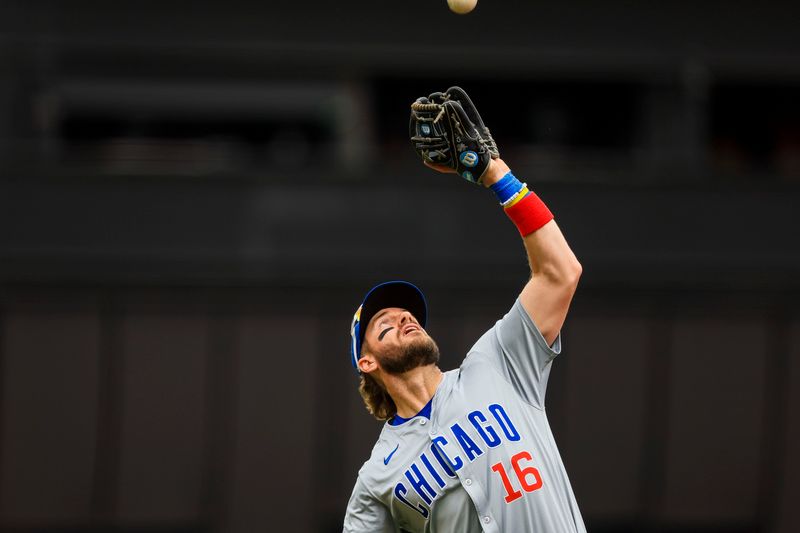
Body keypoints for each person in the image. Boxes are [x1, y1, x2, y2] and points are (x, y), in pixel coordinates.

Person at [343, 88, 585, 532]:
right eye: (384, 323)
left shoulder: (496, 364)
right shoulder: (377, 477)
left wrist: (494, 173)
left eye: (407, 314)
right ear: (367, 360)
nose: (403, 318)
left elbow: (560, 273)